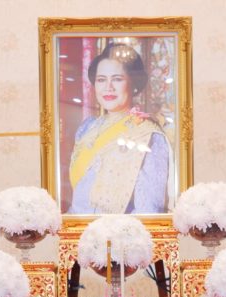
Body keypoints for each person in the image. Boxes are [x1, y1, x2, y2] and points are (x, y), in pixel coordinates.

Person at [67, 42, 170, 214]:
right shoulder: (87, 128)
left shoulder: (148, 134)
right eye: (101, 80)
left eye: (117, 79)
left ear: (133, 83)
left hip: (119, 229)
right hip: (76, 228)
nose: (108, 87)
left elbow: (148, 210)